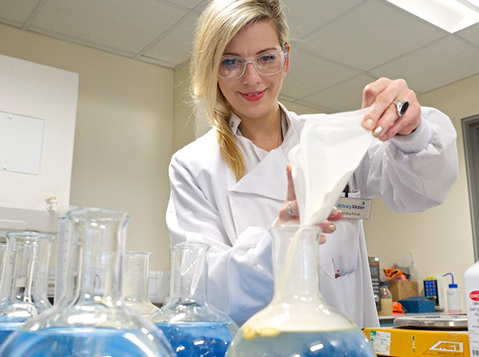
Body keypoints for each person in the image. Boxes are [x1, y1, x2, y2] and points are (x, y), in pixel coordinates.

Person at [166, 0, 458, 328]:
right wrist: (279, 243)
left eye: (266, 58)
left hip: (347, 345)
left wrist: (412, 131)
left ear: (286, 58)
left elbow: (422, 190)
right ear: (212, 69)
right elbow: (204, 294)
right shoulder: (194, 166)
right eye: (230, 62)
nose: (252, 78)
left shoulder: (333, 137)